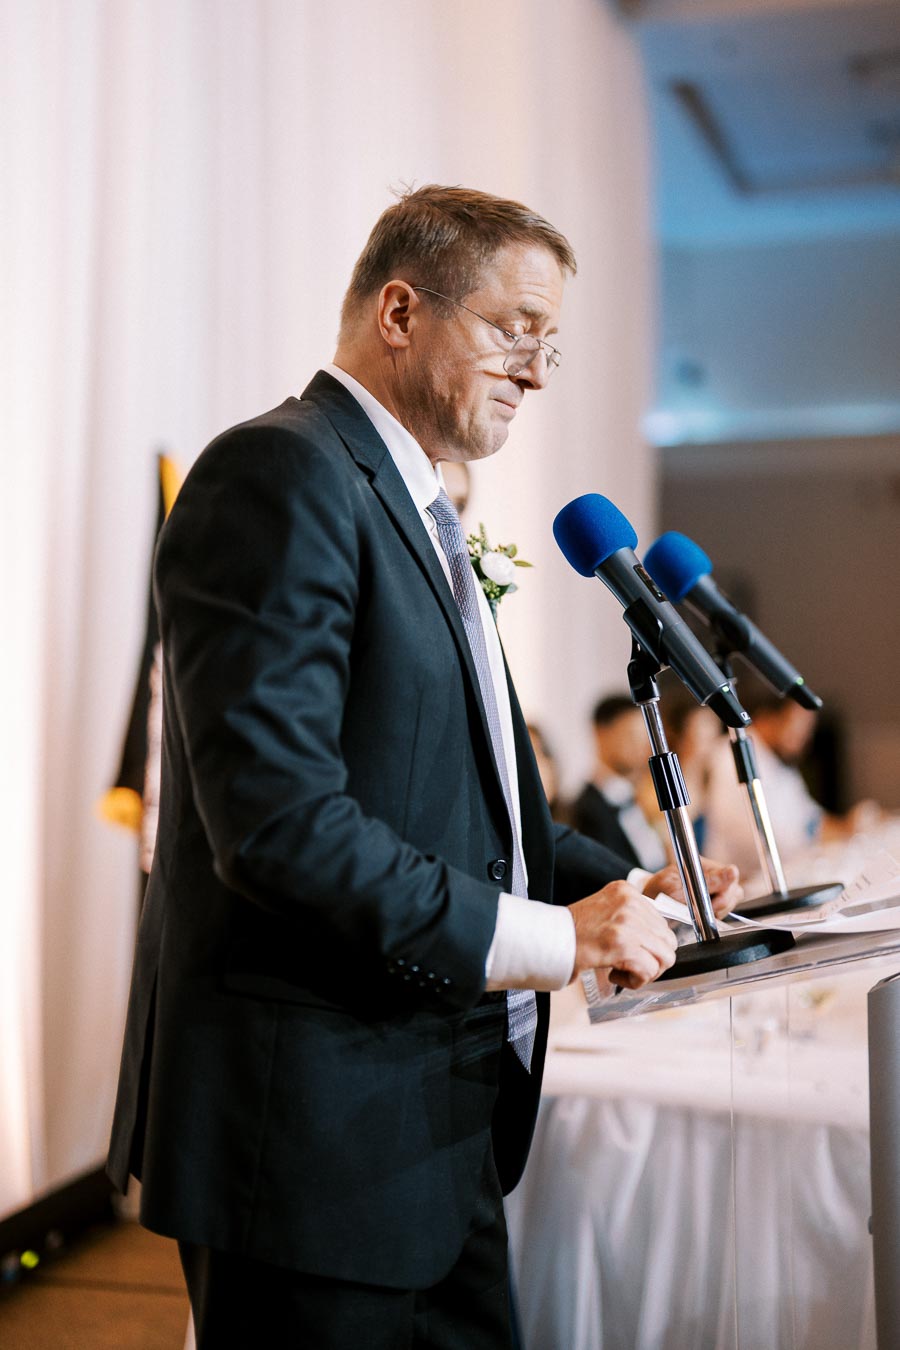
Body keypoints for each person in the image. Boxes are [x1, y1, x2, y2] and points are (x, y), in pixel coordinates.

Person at [107, 185, 742, 1349]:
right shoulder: (277, 475)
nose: (537, 373)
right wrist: (556, 939)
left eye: (551, 343)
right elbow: (282, 826)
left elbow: (465, 803)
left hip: (437, 1134)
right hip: (311, 1146)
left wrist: (631, 888)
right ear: (400, 312)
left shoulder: (415, 510)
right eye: (515, 330)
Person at [703, 685, 881, 879]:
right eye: (797, 725)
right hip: (746, 879)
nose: (805, 737)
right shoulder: (730, 756)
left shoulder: (779, 760)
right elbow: (759, 840)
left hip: (784, 871)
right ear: (768, 718)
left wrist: (849, 824)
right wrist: (836, 833)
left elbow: (810, 816)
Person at [569, 694, 669, 871]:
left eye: (643, 736)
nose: (641, 746)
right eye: (631, 735)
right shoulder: (585, 809)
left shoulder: (644, 795)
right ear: (600, 733)